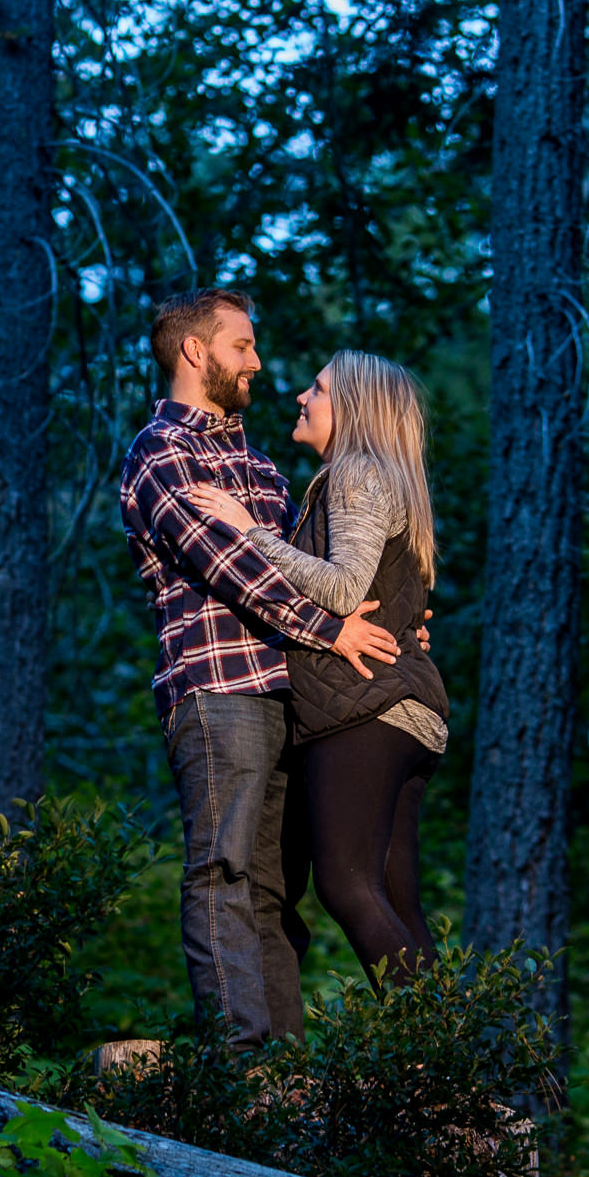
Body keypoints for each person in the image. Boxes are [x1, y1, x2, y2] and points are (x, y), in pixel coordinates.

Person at [119, 292, 404, 1049]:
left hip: (295, 701)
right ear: (194, 353)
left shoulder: (261, 464)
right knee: (225, 868)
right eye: (241, 347)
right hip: (219, 692)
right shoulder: (159, 452)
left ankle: (285, 1071)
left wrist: (398, 623)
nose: (256, 362)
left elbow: (322, 570)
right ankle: (241, 1061)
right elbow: (233, 567)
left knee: (279, 894)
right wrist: (332, 632)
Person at [188, 349, 447, 989]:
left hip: (362, 710)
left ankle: (451, 1063)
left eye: (320, 388)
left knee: (345, 885)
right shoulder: (391, 480)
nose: (302, 396)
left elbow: (340, 588)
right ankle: (462, 1067)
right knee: (397, 902)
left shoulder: (356, 472)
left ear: (353, 408)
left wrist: (248, 531)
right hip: (410, 713)